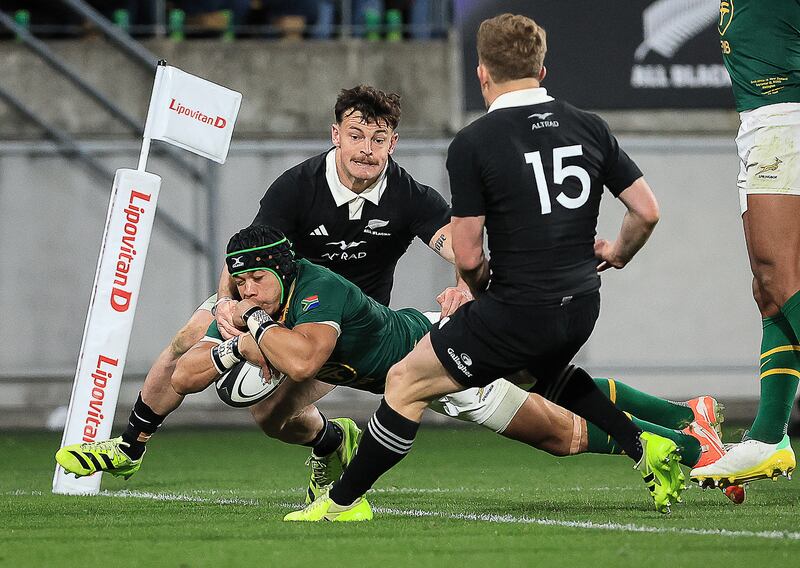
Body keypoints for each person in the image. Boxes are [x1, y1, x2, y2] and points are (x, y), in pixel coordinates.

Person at [284, 13, 686, 522]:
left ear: (482, 73)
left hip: (517, 308)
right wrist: (618, 253)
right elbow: (646, 210)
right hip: (582, 305)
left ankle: (342, 503)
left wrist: (474, 293)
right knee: (544, 372)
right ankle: (643, 444)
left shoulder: (476, 142)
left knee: (406, 381)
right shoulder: (590, 126)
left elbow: (469, 256)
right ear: (542, 68)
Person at [54, 85, 474, 482]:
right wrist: (223, 303)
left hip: (343, 324)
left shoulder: (410, 195)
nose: (366, 149)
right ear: (336, 136)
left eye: (378, 139)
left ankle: (332, 439)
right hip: (277, 302)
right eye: (356, 135)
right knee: (187, 337)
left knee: (270, 417)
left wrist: (464, 286)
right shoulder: (297, 186)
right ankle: (129, 448)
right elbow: (247, 254)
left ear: (392, 143)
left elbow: (461, 245)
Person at [171, 226, 722, 505]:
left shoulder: (314, 290)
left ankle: (698, 450)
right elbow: (181, 376)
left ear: (284, 270)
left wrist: (251, 335)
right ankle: (684, 415)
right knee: (555, 388)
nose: (248, 291)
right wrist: (227, 347)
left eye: (256, 280)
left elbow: (305, 358)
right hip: (430, 348)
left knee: (563, 433)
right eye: (238, 282)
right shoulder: (263, 304)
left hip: (445, 363)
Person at [690, 1, 799, 488]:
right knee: (767, 287)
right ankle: (769, 436)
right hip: (762, 124)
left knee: (780, 274)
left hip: (788, 120)